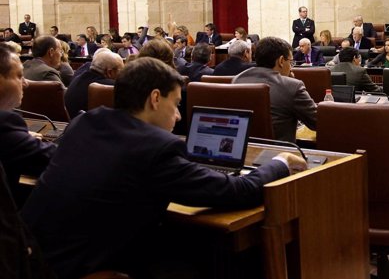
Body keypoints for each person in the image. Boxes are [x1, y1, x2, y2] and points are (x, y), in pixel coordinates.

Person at [22, 57, 306, 279]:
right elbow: (235, 191)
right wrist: (279, 162)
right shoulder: (154, 148)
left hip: (28, 258)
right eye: (176, 104)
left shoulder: (85, 123)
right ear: (155, 98)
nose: (179, 115)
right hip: (77, 268)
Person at [0, 44, 56, 202]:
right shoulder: (5, 124)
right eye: (19, 76)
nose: (26, 83)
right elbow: (55, 160)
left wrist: (16, 137)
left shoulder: (7, 132)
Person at [233, 37, 317, 142]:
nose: (291, 68)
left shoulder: (237, 80)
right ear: (281, 61)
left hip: (245, 153)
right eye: (290, 62)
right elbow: (318, 122)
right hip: (280, 154)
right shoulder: (292, 86)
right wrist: (290, 82)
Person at [64, 49, 124, 118]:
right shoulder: (110, 88)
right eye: (122, 70)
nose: (123, 74)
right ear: (110, 72)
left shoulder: (77, 79)